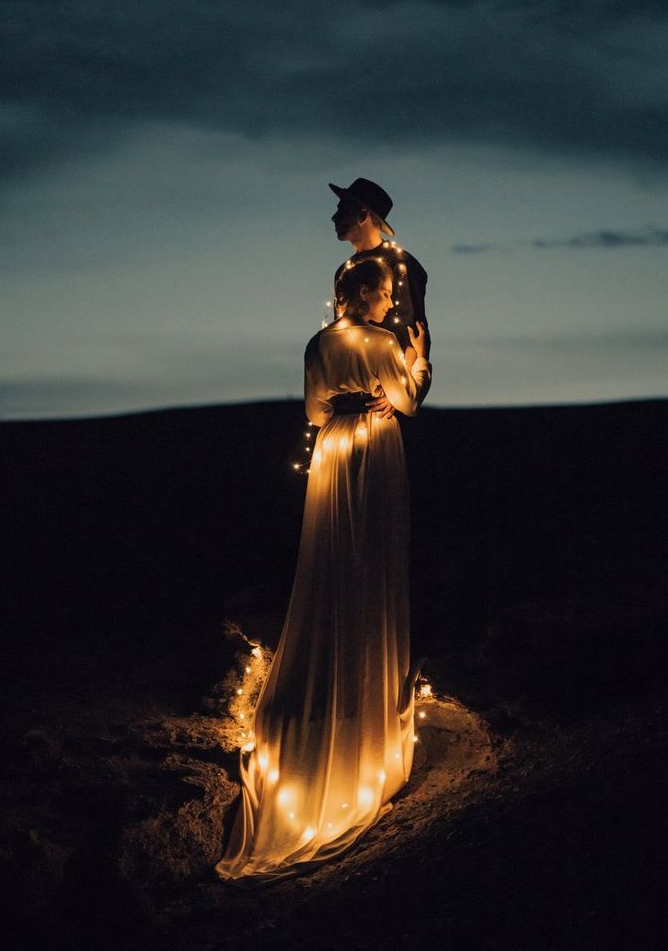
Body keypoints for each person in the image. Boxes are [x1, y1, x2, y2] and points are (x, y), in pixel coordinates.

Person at [216, 257, 431, 880]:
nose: (389, 303)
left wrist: (349, 400)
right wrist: (418, 359)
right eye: (383, 293)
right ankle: (365, 716)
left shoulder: (317, 344)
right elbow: (408, 402)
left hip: (333, 451)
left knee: (332, 562)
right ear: (360, 292)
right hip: (376, 449)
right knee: (373, 564)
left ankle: (330, 695)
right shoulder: (384, 342)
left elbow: (314, 412)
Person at [330, 177, 431, 414]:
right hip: (349, 398)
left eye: (342, 211)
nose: (334, 218)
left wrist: (398, 391)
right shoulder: (344, 272)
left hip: (385, 401)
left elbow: (414, 333)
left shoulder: (401, 265)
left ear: (363, 215)